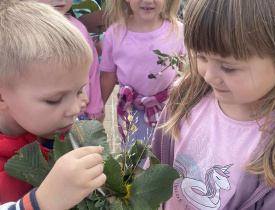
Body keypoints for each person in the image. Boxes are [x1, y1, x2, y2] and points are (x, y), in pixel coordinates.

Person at [150, 0, 275, 209]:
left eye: (228, 68)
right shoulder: (186, 95)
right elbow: (155, 166)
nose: (209, 76)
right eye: (201, 56)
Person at [0, 0, 106, 209]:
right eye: (54, 100)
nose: (75, 109)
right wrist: (42, 202)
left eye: (79, 91)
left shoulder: (54, 132)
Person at [100, 0, 185, 154]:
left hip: (168, 110)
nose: (147, 1)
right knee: (133, 157)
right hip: (131, 111)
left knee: (166, 154)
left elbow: (184, 73)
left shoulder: (178, 31)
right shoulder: (115, 33)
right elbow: (108, 75)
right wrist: (98, 108)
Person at [36, 0, 105, 122]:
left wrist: (95, 111)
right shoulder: (25, 33)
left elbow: (92, 72)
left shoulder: (79, 29)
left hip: (78, 115)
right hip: (39, 118)